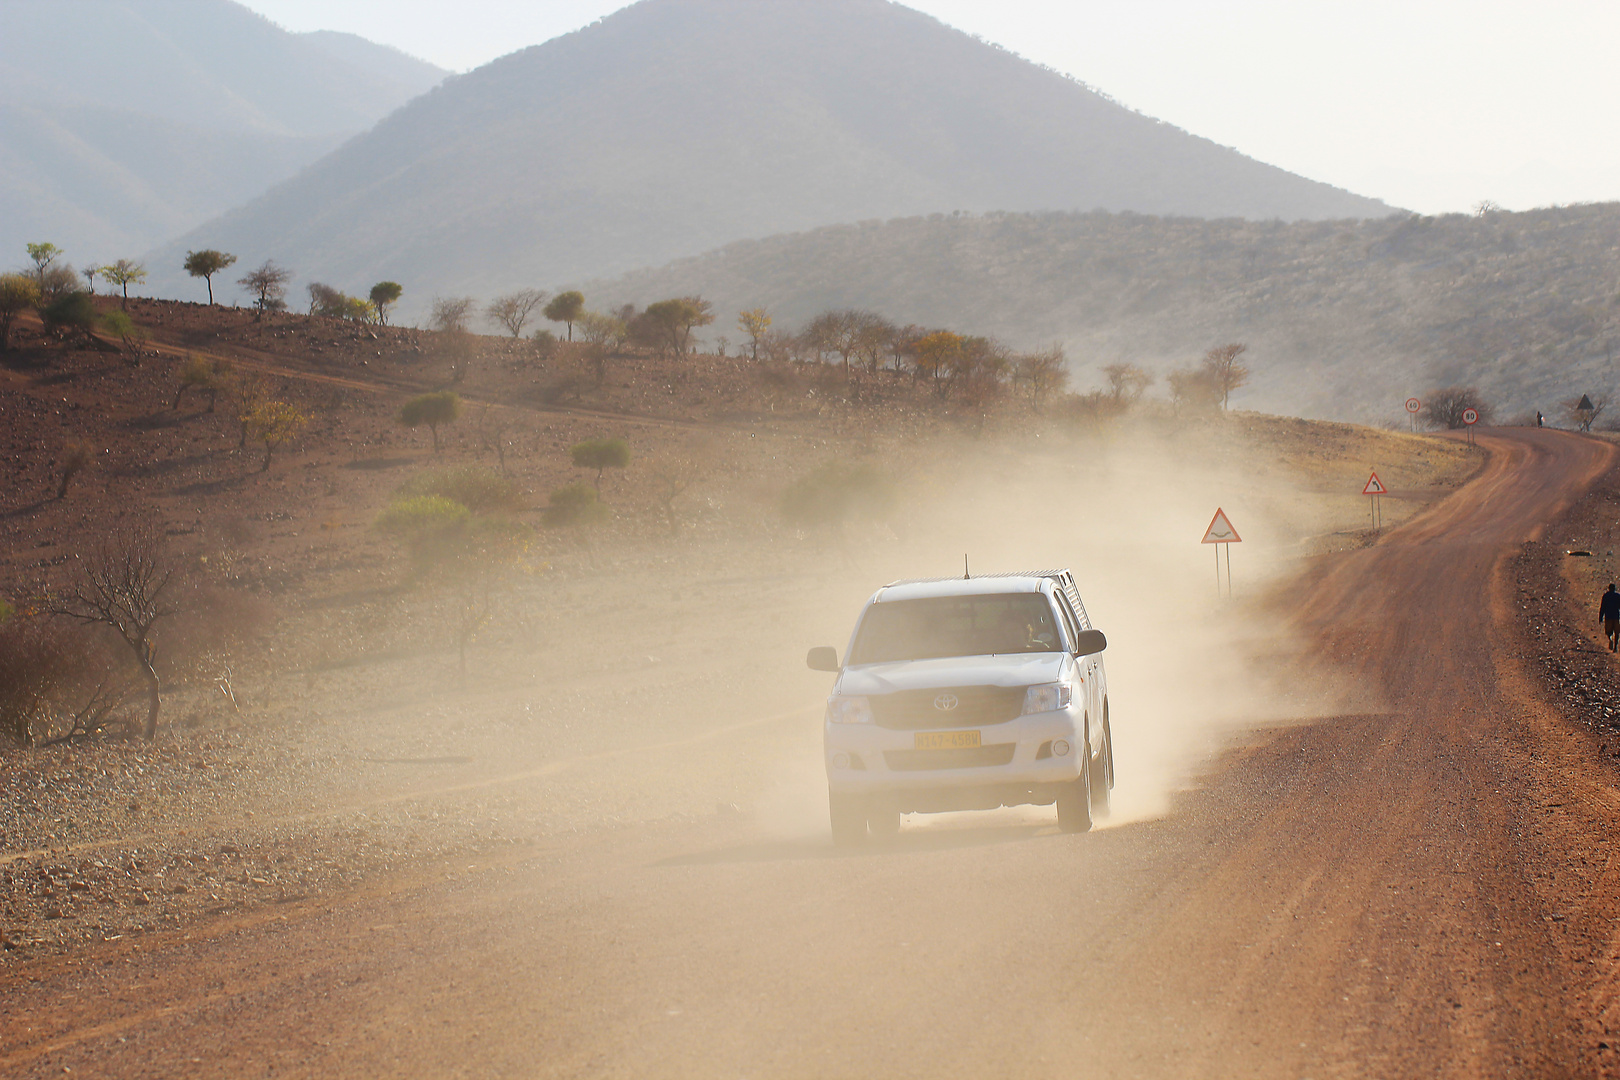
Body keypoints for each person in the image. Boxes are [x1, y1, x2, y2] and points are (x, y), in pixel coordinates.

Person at [1602, 584, 1620, 652]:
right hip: (1616, 617)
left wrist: (1601, 616)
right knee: (1617, 632)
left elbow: (1603, 607)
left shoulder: (1606, 596)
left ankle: (1610, 639)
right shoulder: (1618, 596)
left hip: (1608, 616)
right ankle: (1615, 647)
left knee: (1608, 631)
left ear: (1609, 588)